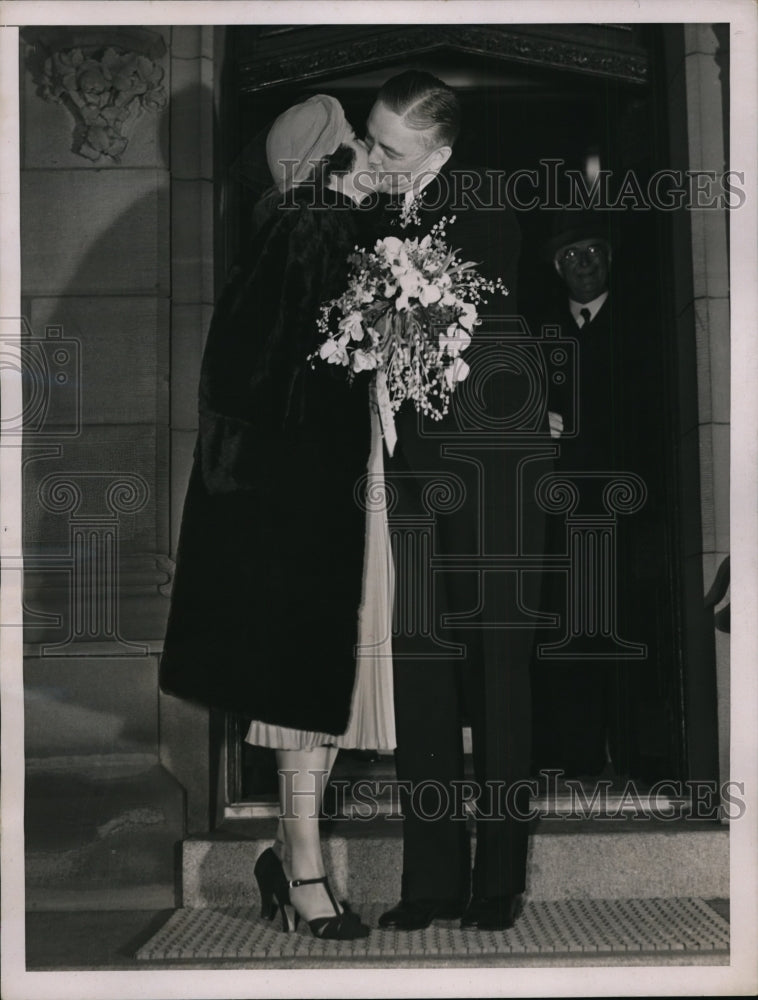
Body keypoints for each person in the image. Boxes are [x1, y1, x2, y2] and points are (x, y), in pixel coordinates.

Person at [159, 94, 394, 940]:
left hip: (334, 485)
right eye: (354, 152)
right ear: (321, 172)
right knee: (306, 685)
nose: (370, 161)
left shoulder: (321, 230)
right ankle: (302, 867)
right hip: (305, 496)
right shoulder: (307, 229)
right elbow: (258, 384)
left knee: (322, 686)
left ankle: (294, 855)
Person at [365, 71, 548, 932]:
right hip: (408, 471)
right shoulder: (374, 213)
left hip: (494, 469)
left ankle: (499, 878)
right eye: (369, 141)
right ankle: (431, 877)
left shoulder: (483, 212)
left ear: (438, 153)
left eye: (389, 150)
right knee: (422, 665)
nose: (372, 159)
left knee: (498, 670)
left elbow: (453, 321)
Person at [530, 210, 659, 781]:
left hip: (625, 511)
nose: (585, 264)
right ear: (559, 269)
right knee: (568, 630)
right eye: (573, 257)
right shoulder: (540, 333)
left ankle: (641, 759)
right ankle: (574, 757)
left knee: (628, 629)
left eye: (594, 253)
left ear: (610, 259)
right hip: (562, 513)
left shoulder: (643, 326)